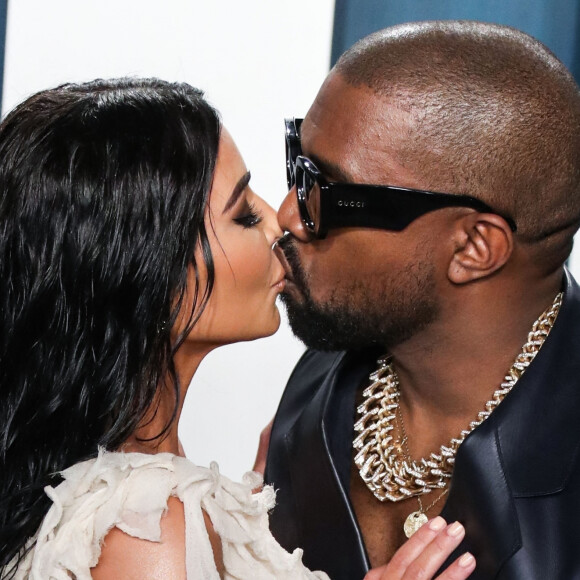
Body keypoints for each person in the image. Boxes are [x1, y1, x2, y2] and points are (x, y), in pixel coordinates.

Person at [0, 78, 473, 580]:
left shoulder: (128, 495)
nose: (279, 222)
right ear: (152, 275)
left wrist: (240, 535)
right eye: (245, 215)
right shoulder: (149, 535)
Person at [265, 20, 580, 580]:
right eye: (298, 163)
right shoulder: (316, 392)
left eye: (332, 193)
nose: (290, 214)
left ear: (474, 247)